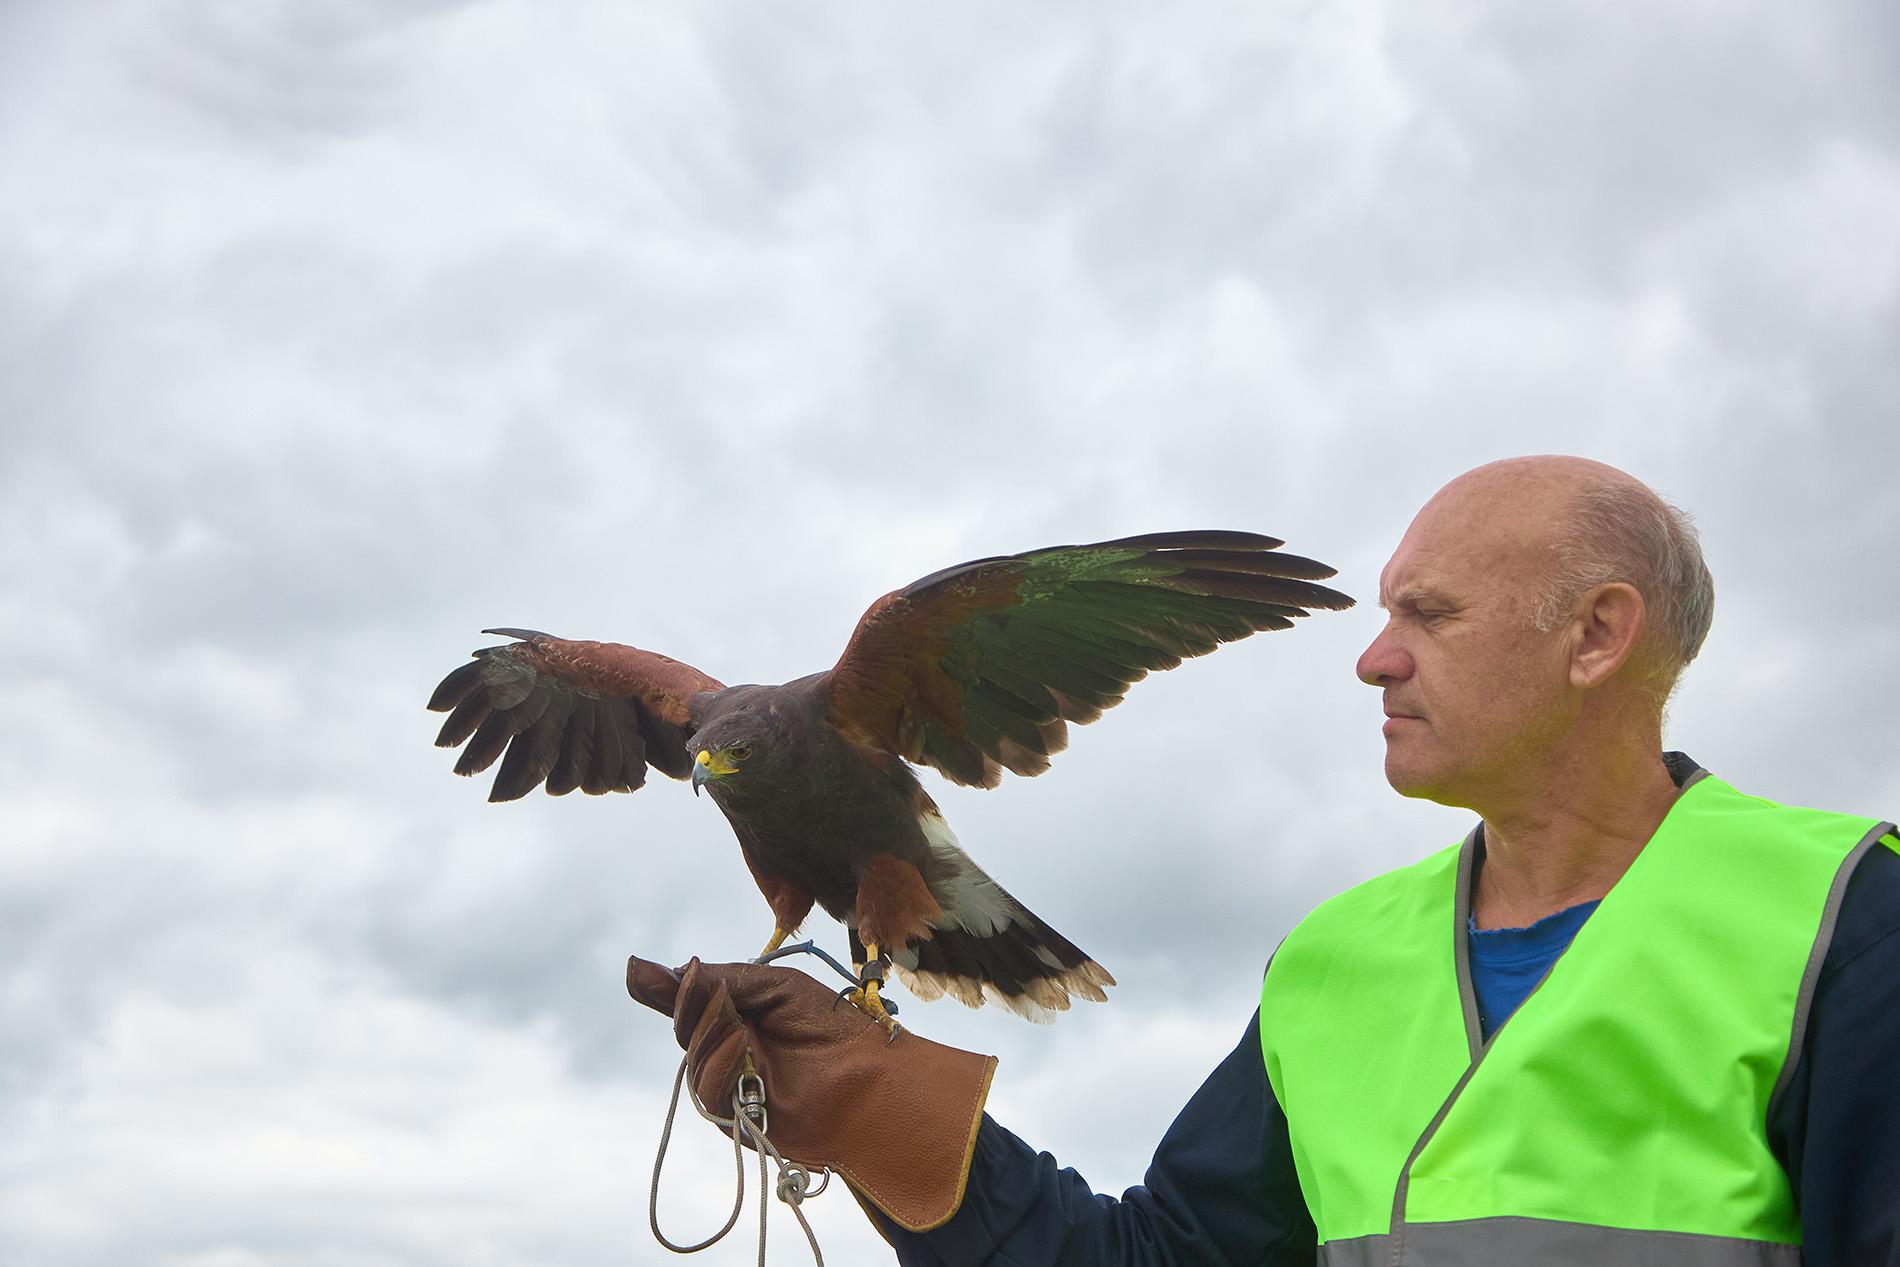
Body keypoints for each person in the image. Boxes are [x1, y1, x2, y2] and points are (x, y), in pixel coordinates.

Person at [627, 456, 1900, 1265]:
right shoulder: (1338, 962)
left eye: (1431, 614)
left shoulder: (1842, 916)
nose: (1373, 655)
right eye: (1387, 611)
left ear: (1596, 637)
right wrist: (869, 1109)